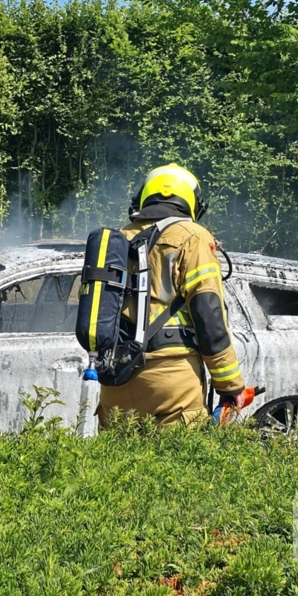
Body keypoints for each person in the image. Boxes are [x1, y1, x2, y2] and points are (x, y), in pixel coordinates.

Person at [97, 163, 243, 426]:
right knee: (176, 463)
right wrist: (230, 386)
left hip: (115, 378)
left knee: (118, 464)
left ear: (143, 197)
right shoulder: (194, 237)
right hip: (172, 380)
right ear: (192, 203)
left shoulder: (117, 238)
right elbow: (208, 316)